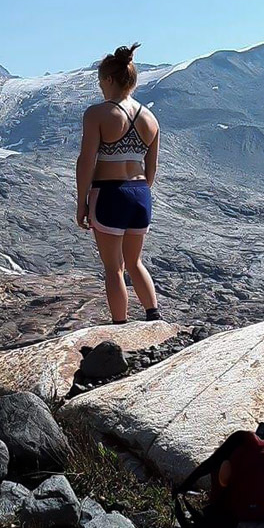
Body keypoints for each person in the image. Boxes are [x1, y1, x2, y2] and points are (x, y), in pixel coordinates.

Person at [75, 43, 162, 323]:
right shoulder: (151, 119)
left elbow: (86, 160)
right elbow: (151, 171)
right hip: (139, 194)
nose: (100, 86)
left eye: (100, 80)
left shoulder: (97, 114)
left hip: (110, 193)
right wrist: (138, 191)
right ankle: (153, 315)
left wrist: (82, 202)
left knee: (114, 268)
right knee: (135, 262)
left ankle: (120, 327)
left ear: (109, 79)